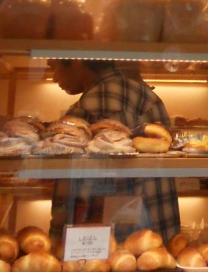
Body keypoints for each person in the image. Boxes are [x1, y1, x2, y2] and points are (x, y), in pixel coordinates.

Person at [47, 59, 180, 243]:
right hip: (157, 231)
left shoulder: (90, 106)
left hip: (108, 242)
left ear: (77, 61)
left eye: (54, 67)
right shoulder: (149, 98)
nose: (54, 78)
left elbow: (74, 188)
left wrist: (57, 237)